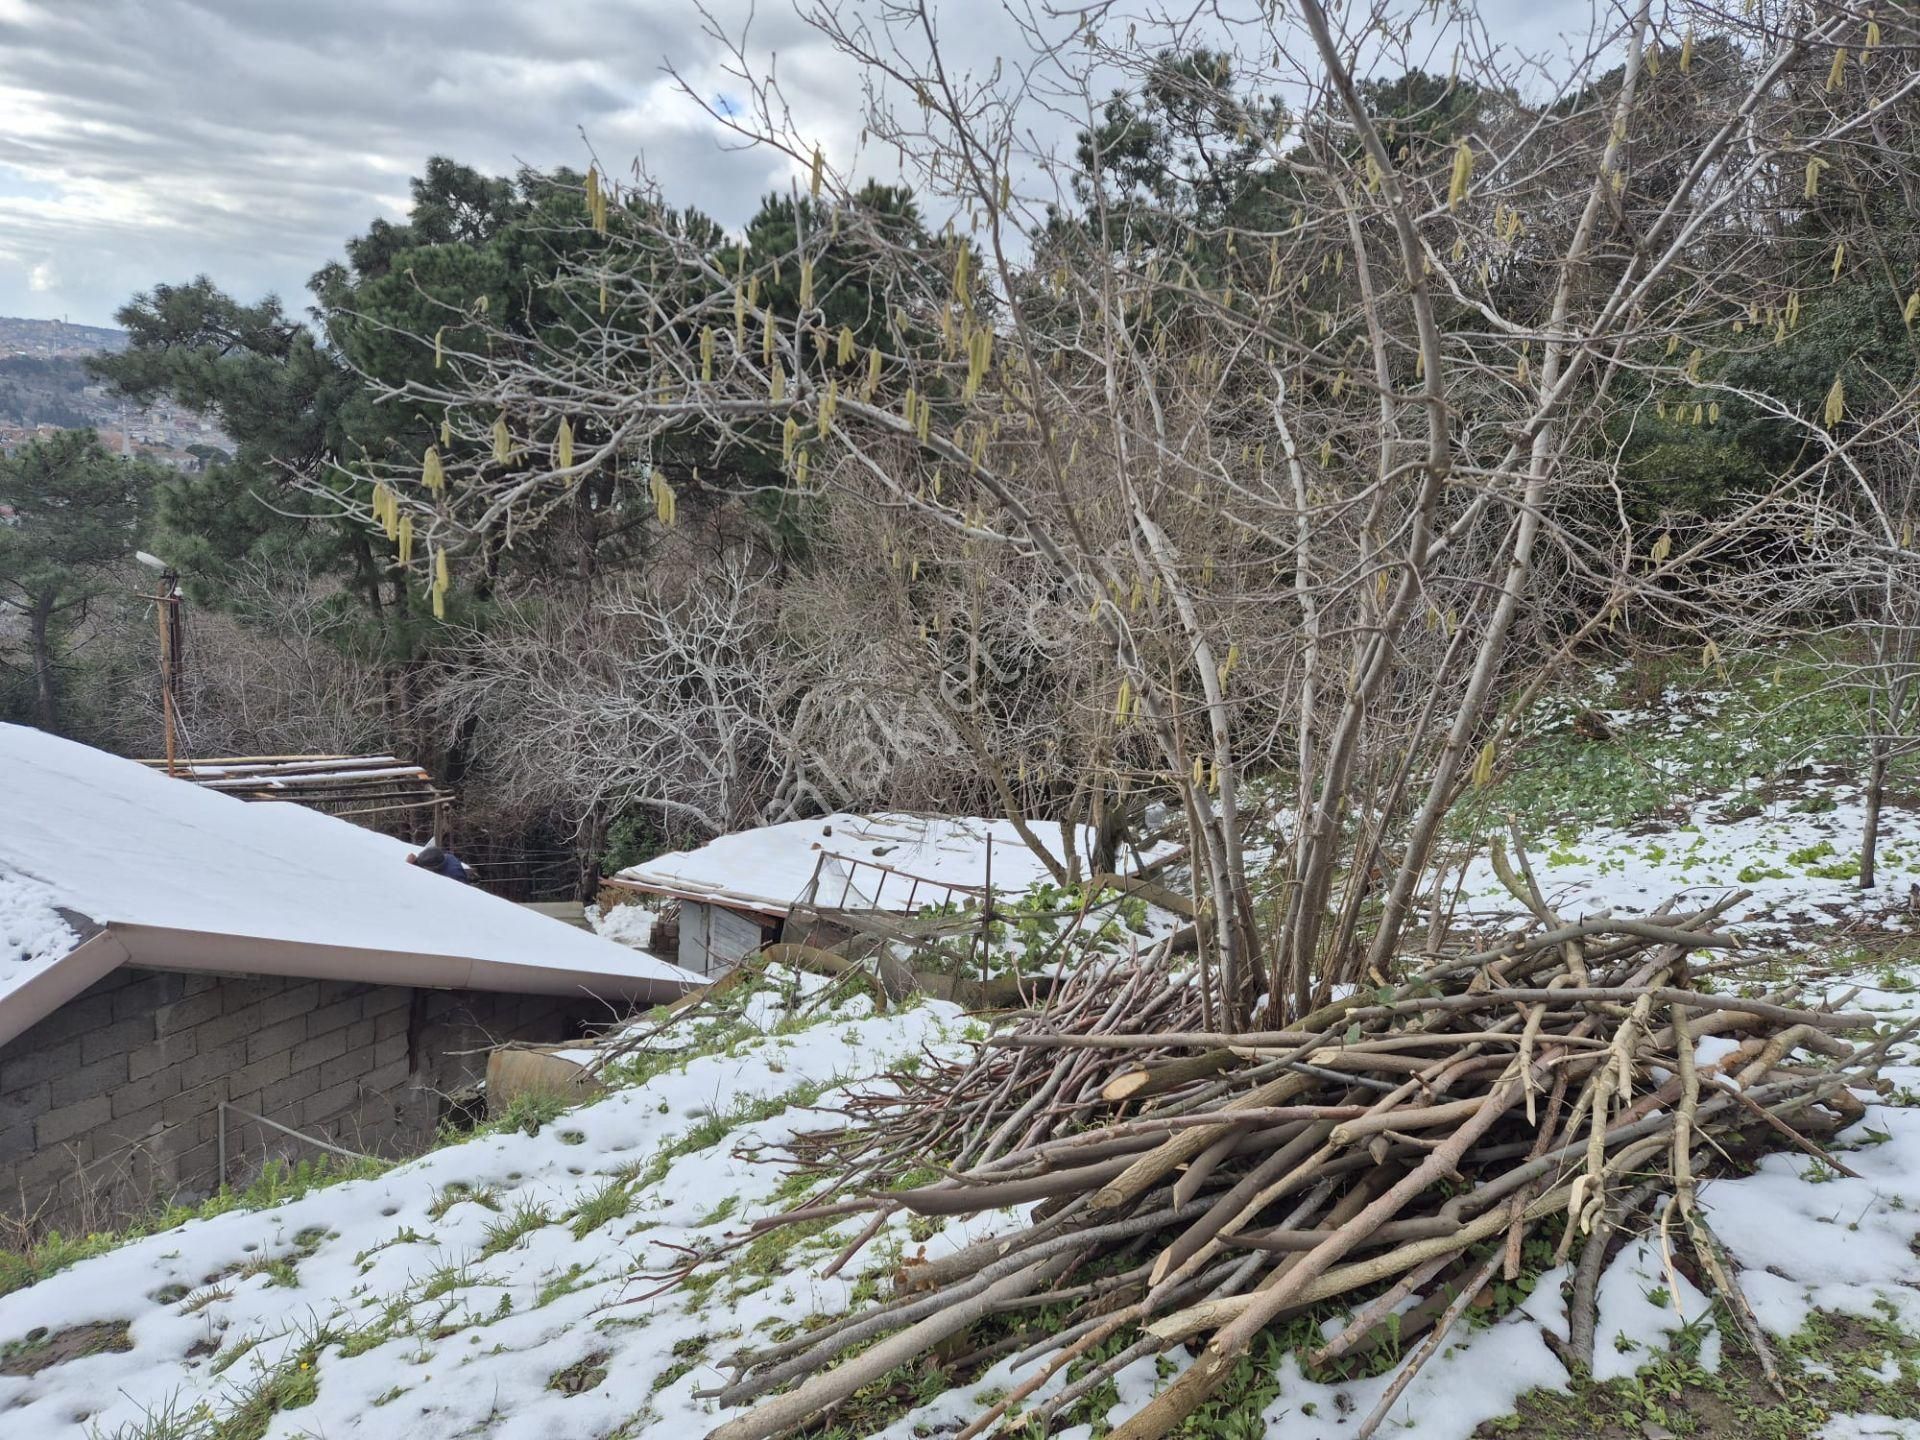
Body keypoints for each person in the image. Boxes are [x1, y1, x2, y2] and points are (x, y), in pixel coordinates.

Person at [407, 841, 471, 883]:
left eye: (426, 868)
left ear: (435, 867)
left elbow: (463, 891)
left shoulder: (454, 874)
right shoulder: (443, 857)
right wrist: (413, 862)